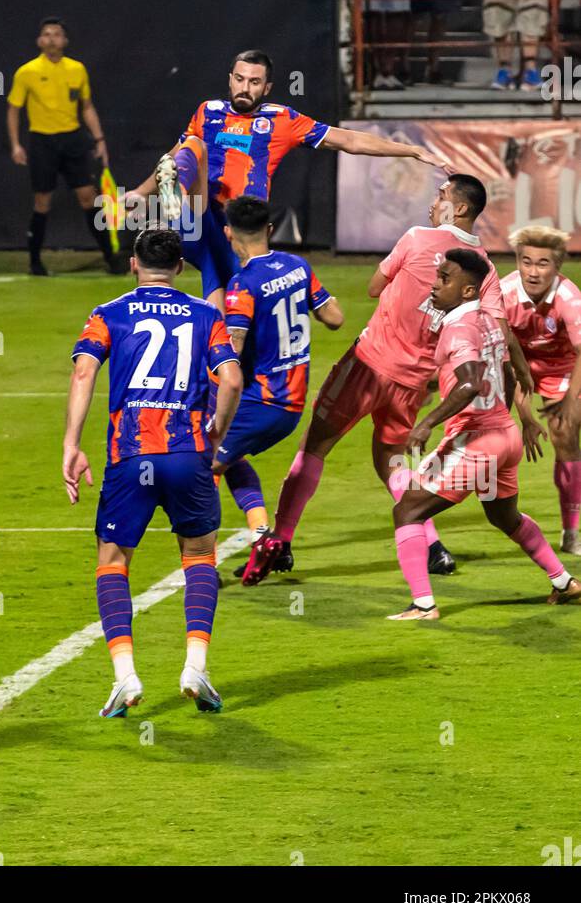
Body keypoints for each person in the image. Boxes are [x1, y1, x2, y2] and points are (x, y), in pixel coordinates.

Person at [242, 173, 535, 586]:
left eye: (442, 196)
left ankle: (283, 541)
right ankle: (433, 546)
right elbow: (498, 332)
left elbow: (374, 287)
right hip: (415, 381)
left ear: (461, 208)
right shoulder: (483, 267)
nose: (434, 202)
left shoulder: (416, 237)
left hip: (369, 363)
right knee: (392, 461)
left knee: (317, 445)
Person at [64, 227, 242, 718]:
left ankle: (125, 677)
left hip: (130, 456)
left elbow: (84, 372)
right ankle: (195, 666)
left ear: (133, 265)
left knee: (113, 560)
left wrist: (71, 444)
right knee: (200, 554)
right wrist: (217, 431)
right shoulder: (208, 315)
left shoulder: (108, 313)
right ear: (181, 268)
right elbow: (231, 378)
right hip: (189, 454)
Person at [124, 49, 451, 311]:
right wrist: (140, 191)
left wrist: (410, 150)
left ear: (266, 88)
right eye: (239, 79)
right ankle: (175, 200)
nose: (245, 87)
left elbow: (348, 140)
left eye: (254, 82)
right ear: (230, 79)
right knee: (193, 145)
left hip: (238, 228)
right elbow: (177, 155)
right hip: (198, 212)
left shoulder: (283, 120)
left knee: (224, 308)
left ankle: (222, 375)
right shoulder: (208, 110)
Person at [388, 249, 580, 620]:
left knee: (407, 510)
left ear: (467, 290)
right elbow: (506, 368)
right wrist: (510, 420)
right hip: (503, 437)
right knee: (504, 517)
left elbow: (471, 383)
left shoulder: (459, 326)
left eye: (444, 279)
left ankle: (423, 605)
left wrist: (428, 423)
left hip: (476, 442)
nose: (435, 285)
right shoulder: (491, 320)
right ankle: (564, 581)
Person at [213, 197, 343, 574]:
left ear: (227, 233)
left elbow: (231, 354)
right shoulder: (297, 266)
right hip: (292, 403)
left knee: (201, 465)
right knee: (227, 455)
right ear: (269, 230)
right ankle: (266, 539)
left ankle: (201, 564)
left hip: (262, 401)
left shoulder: (243, 285)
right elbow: (335, 317)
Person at [7, 17, 126, 276]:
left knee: (89, 197)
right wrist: (16, 144)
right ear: (40, 41)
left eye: (57, 34)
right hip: (42, 141)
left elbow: (87, 107)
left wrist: (100, 139)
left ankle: (111, 257)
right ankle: (35, 262)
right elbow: (14, 110)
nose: (52, 39)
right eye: (47, 34)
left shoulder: (77, 69)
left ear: (65, 41)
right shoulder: (26, 72)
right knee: (42, 201)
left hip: (72, 140)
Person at [502, 226, 581, 555]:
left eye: (543, 263)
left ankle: (571, 531)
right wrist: (525, 416)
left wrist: (570, 404)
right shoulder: (504, 294)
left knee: (564, 435)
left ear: (557, 266)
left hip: (564, 367)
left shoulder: (569, 297)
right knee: (488, 432)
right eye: (527, 262)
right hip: (519, 365)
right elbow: (507, 357)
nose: (533, 272)